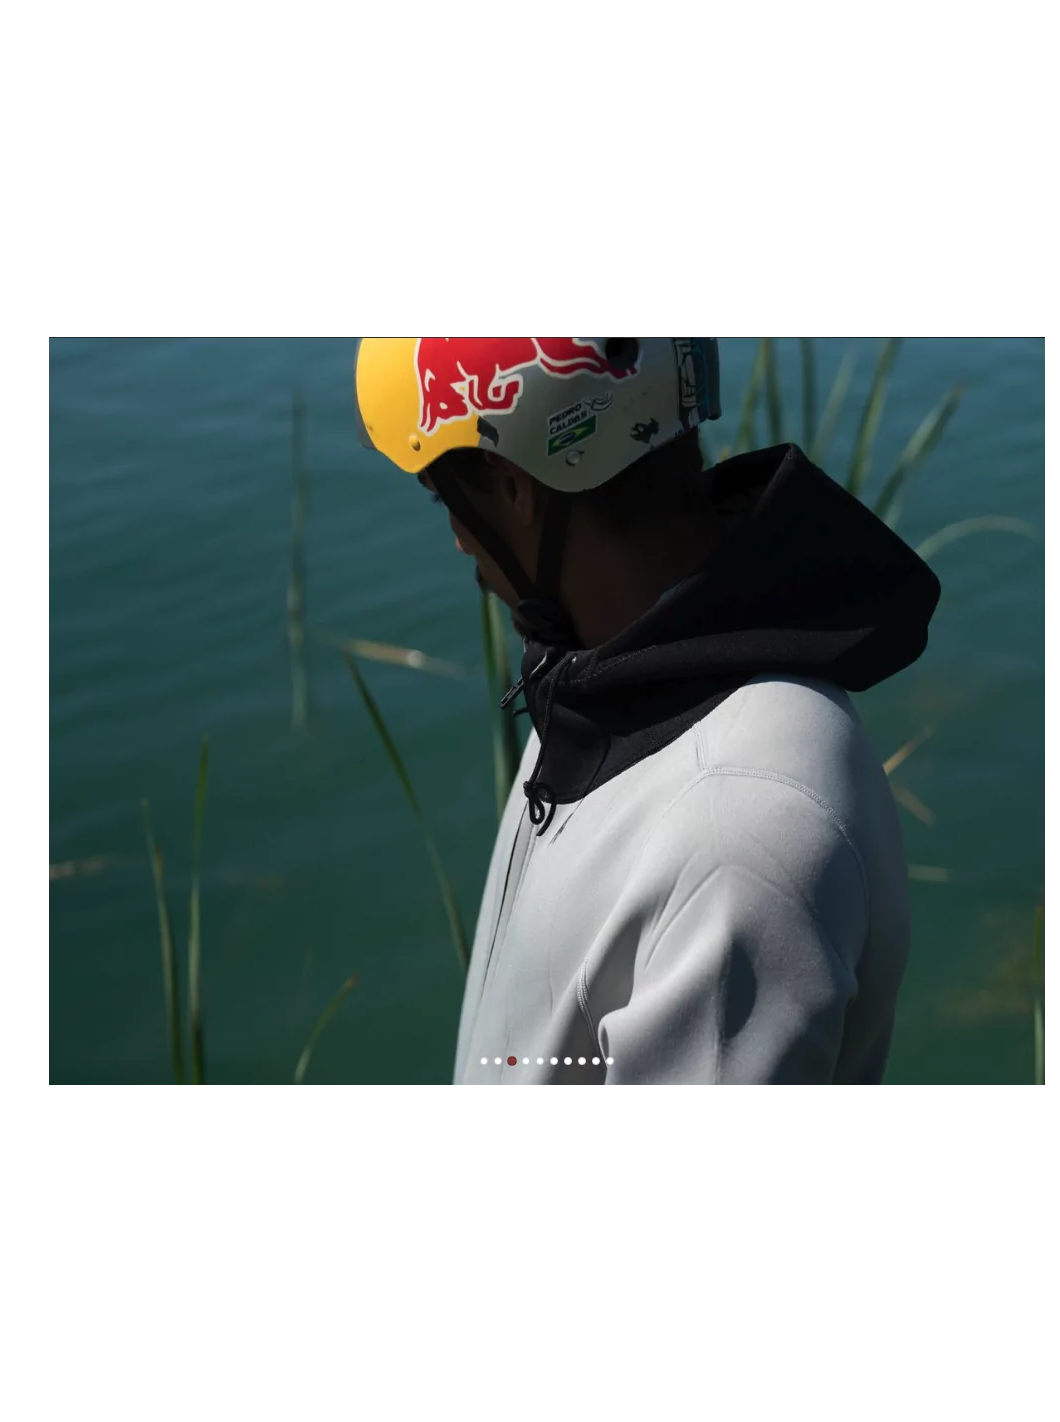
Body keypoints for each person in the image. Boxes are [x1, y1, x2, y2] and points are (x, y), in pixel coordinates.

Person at [353, 337, 941, 1087]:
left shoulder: (736, 832)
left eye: (447, 498)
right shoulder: (599, 677)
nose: (458, 539)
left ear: (512, 487)